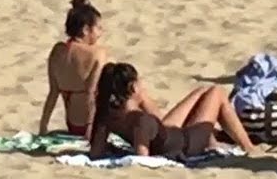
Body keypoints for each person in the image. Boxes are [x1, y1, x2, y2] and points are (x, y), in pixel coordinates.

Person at [88, 63, 256, 160]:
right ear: (133, 87)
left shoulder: (107, 115)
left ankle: (216, 141)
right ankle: (249, 148)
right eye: (139, 82)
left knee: (203, 91)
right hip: (187, 143)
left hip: (166, 133)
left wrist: (114, 149)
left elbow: (95, 152)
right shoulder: (141, 120)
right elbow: (142, 159)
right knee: (217, 92)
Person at [39, 0, 109, 139]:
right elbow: (91, 95)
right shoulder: (97, 54)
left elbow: (53, 93)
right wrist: (90, 130)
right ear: (85, 30)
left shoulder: (57, 51)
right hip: (92, 126)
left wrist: (43, 127)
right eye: (98, 28)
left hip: (72, 125)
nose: (101, 33)